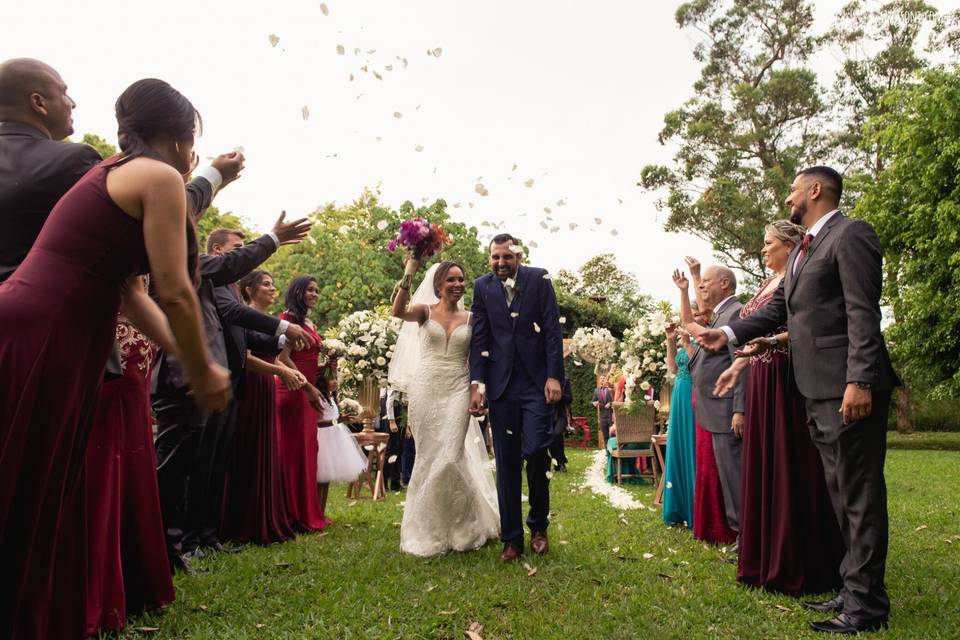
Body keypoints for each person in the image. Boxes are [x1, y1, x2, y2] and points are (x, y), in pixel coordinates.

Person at [0, 77, 231, 640]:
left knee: (29, 482)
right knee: (26, 488)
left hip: (36, 325)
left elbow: (131, 293)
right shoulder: (157, 176)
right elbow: (174, 290)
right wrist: (200, 371)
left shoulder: (111, 171)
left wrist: (183, 352)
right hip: (47, 335)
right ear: (181, 136)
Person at [697, 167, 900, 634]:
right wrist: (724, 332)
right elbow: (774, 310)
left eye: (793, 187)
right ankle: (852, 591)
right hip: (813, 387)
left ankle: (867, 605)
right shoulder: (804, 252)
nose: (788, 194)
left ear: (815, 190)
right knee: (839, 493)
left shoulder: (851, 235)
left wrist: (860, 380)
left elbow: (862, 312)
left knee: (859, 494)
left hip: (845, 386)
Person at [153, 212, 309, 567]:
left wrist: (278, 335)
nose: (241, 254)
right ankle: (183, 541)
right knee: (192, 465)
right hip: (192, 379)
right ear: (215, 249)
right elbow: (232, 315)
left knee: (213, 463)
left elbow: (240, 332)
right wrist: (280, 327)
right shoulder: (210, 278)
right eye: (236, 248)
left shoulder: (225, 283)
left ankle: (206, 536)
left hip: (226, 379)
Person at [0, 58, 241, 284]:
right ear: (38, 103)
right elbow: (159, 220)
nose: (72, 102)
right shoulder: (71, 161)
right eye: (63, 92)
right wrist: (215, 175)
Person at [713, 221, 845, 597]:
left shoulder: (797, 278)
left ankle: (798, 553)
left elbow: (800, 326)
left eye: (769, 243)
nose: (763, 249)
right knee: (764, 464)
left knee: (789, 464)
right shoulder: (767, 284)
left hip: (786, 379)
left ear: (790, 246)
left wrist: (768, 342)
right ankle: (763, 549)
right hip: (760, 379)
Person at [390, 258, 500, 556]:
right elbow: (397, 310)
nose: (458, 284)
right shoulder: (424, 312)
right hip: (425, 389)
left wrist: (479, 389)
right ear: (438, 285)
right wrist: (409, 270)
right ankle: (428, 528)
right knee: (428, 456)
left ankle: (463, 527)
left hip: (457, 389)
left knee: (451, 456)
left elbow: (480, 357)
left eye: (461, 279)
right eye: (451, 279)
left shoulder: (472, 318)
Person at [468, 234, 565, 562]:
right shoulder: (482, 287)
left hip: (536, 384)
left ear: (519, 256)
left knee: (537, 450)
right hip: (501, 386)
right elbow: (479, 336)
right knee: (506, 461)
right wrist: (477, 386)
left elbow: (552, 329)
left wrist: (554, 376)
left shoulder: (539, 279)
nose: (500, 263)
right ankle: (511, 538)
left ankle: (538, 527)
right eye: (495, 257)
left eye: (506, 257)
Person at [220, 269, 302, 545]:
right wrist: (281, 372)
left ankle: (263, 516)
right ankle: (241, 521)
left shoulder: (271, 320)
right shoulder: (242, 315)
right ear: (248, 290)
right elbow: (247, 357)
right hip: (249, 387)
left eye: (272, 283)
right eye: (265, 284)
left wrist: (289, 370)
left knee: (264, 450)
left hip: (266, 387)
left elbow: (274, 356)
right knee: (247, 450)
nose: (271, 288)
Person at [680, 264, 746, 549]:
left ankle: (745, 538)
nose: (702, 286)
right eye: (701, 282)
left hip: (726, 411)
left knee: (735, 478)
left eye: (706, 281)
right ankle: (739, 536)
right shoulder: (720, 315)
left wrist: (739, 409)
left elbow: (742, 365)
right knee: (729, 479)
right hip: (713, 411)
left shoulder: (736, 314)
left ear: (726, 285)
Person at [275, 276, 328, 531]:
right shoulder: (287, 320)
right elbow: (282, 358)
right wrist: (307, 385)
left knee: (307, 451)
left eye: (317, 290)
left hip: (308, 390)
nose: (315, 294)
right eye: (309, 289)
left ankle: (306, 510)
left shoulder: (308, 322)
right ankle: (290, 513)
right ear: (297, 291)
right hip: (293, 390)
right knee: (292, 452)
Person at [315, 374, 368, 515]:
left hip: (334, 437)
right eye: (331, 380)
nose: (334, 382)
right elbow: (317, 421)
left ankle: (322, 512)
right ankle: (316, 513)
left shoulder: (331, 398)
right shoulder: (318, 398)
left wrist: (341, 419)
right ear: (322, 381)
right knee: (320, 480)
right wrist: (336, 421)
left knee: (326, 481)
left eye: (335, 379)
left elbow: (334, 418)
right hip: (323, 438)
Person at [661, 321, 696, 528]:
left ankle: (694, 507)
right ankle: (678, 507)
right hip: (679, 395)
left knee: (691, 444)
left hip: (694, 394)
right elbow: (673, 368)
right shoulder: (685, 341)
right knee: (679, 447)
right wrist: (670, 340)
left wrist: (686, 339)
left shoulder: (703, 337)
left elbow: (698, 364)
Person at [549, 378, 573, 472]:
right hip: (547, 415)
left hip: (561, 414)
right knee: (550, 439)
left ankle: (561, 462)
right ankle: (557, 463)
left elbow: (570, 399)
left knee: (557, 434)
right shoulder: (544, 380)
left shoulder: (565, 381)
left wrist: (560, 394)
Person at [592, 375, 614, 444]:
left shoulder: (610, 390)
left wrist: (610, 404)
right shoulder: (596, 391)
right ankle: (607, 453)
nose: (602, 380)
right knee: (605, 436)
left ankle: (613, 452)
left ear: (606, 380)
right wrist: (594, 403)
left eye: (603, 378)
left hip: (611, 415)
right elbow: (593, 401)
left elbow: (615, 400)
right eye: (600, 378)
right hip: (602, 416)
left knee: (612, 435)